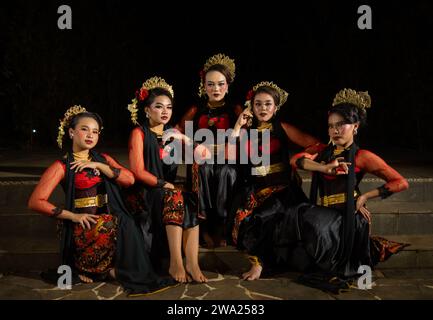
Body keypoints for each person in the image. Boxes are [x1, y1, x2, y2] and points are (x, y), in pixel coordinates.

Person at [28, 105, 175, 295]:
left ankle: (112, 270)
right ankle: (98, 268)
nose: (90, 135)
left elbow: (129, 179)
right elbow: (35, 201)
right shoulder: (62, 165)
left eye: (95, 131)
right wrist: (72, 216)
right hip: (83, 226)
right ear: (71, 132)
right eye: (84, 129)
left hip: (105, 219)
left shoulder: (103, 158)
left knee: (129, 218)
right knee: (111, 223)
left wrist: (99, 165)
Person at [290, 88, 409, 292]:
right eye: (331, 126)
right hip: (325, 212)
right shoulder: (321, 151)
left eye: (341, 125)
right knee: (300, 214)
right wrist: (323, 167)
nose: (335, 130)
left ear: (355, 126)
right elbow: (295, 161)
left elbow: (400, 182)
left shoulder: (362, 156)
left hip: (348, 212)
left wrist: (366, 196)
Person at [229, 81, 320, 281]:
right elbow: (228, 153)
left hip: (282, 188)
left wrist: (297, 161)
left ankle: (261, 264)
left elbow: (315, 144)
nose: (263, 108)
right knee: (243, 217)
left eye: (268, 104)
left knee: (266, 215)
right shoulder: (245, 131)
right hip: (257, 187)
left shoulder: (283, 128)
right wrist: (237, 125)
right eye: (258, 104)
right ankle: (258, 261)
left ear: (276, 107)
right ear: (251, 107)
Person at [126, 76, 208, 283]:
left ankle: (192, 262)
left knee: (189, 200)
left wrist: (183, 138)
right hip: (147, 190)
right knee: (176, 197)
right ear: (147, 110)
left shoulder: (172, 133)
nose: (165, 112)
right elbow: (137, 171)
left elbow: (203, 155)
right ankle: (175, 262)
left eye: (169, 107)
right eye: (159, 106)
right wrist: (164, 184)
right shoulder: (139, 133)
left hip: (168, 190)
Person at [175, 53, 243, 248]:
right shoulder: (196, 109)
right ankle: (203, 226)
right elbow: (177, 131)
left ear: (228, 86)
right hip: (202, 160)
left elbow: (246, 137)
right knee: (203, 168)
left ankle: (222, 225)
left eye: (221, 84)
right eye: (211, 84)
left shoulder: (235, 109)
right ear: (204, 86)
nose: (216, 88)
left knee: (226, 172)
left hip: (228, 160)